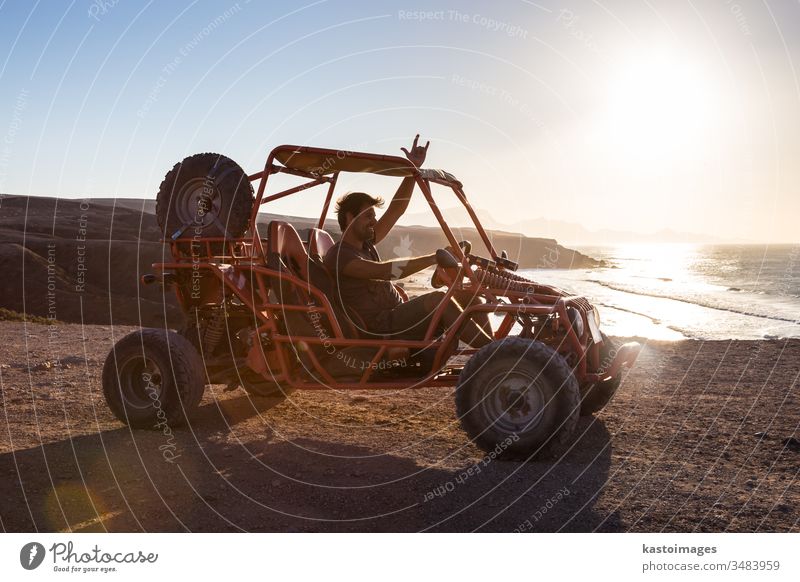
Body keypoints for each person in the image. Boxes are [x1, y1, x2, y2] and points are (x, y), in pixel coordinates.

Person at [323, 135, 493, 347]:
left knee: (469, 298)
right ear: (349, 218)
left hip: (396, 316)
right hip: (379, 327)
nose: (374, 221)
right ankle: (495, 352)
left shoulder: (366, 244)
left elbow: (396, 210)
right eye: (368, 216)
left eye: (374, 217)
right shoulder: (340, 255)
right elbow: (385, 272)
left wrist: (412, 170)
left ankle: (491, 350)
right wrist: (434, 258)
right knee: (438, 300)